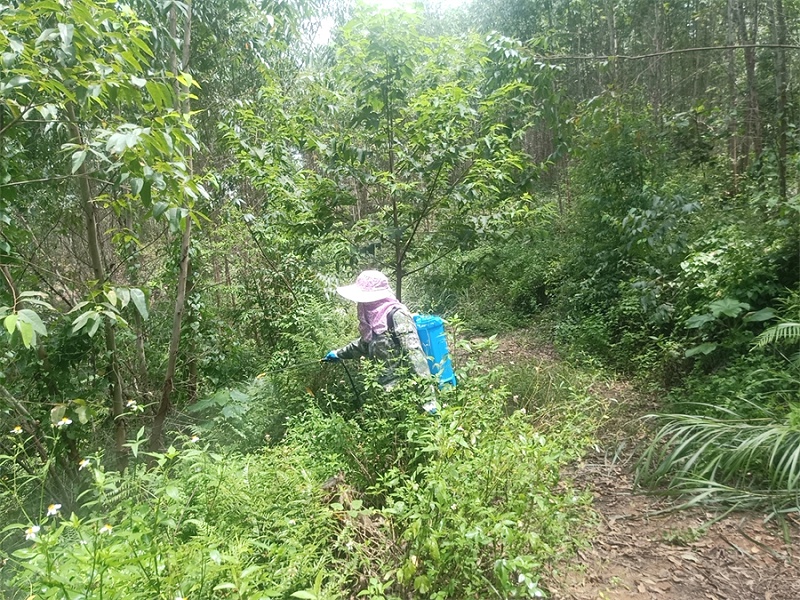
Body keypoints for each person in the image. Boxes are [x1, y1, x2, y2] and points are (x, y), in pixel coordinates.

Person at [322, 270, 432, 391]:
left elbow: (415, 354)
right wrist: (339, 353)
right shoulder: (372, 320)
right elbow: (365, 344)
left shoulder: (397, 315)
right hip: (383, 392)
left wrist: (428, 398)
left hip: (406, 391)